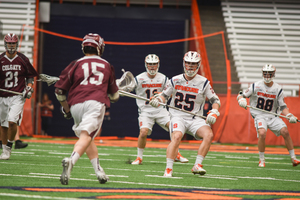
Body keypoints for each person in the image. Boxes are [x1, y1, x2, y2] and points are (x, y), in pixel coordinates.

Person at [54, 33, 119, 185]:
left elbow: (59, 93)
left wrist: (67, 110)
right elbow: (115, 97)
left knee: (87, 138)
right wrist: (113, 92)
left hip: (76, 104)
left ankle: (99, 171)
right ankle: (72, 161)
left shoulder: (75, 64)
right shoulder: (107, 65)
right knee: (86, 136)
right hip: (95, 103)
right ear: (100, 47)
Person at [149, 51, 221, 177]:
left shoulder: (204, 82)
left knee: (208, 134)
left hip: (195, 118)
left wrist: (214, 111)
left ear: (198, 65)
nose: (190, 66)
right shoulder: (175, 80)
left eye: (193, 63)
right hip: (178, 116)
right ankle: (168, 169)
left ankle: (197, 165)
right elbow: (164, 96)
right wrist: (157, 101)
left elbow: (215, 100)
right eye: (188, 63)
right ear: (184, 63)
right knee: (177, 136)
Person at [130, 54, 188, 165]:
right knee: (143, 132)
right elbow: (128, 88)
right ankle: (139, 157)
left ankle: (177, 154)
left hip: (161, 110)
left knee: (174, 129)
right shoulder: (139, 78)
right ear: (146, 65)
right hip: (145, 111)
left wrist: (161, 95)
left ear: (158, 64)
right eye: (150, 64)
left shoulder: (163, 78)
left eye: (154, 64)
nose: (152, 67)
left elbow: (171, 93)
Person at [237, 64, 300, 167]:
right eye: (265, 74)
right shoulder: (256, 85)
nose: (267, 76)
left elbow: (283, 107)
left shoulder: (278, 88)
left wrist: (289, 115)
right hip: (259, 115)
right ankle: (261, 160)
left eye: (269, 74)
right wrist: (241, 100)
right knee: (262, 133)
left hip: (272, 116)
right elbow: (241, 95)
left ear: (273, 74)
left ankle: (293, 158)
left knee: (285, 131)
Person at [0, 33, 38, 159]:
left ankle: (10, 145)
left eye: (13, 43)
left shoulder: (23, 59)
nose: (11, 45)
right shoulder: (1, 59)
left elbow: (30, 76)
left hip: (17, 97)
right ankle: (5, 149)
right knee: (3, 125)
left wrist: (29, 87)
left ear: (17, 44)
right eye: (9, 43)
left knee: (12, 121)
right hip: (3, 96)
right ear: (6, 44)